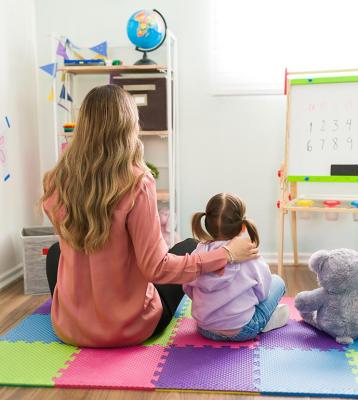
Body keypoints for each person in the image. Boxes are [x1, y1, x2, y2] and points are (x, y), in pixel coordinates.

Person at [40, 84, 258, 348]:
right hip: (130, 328)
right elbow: (157, 268)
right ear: (128, 126)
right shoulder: (137, 182)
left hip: (69, 328)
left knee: (56, 252)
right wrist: (227, 254)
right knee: (190, 246)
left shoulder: (56, 180)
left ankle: (80, 316)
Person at [184, 193, 289, 342]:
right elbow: (263, 294)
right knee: (277, 281)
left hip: (204, 327)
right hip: (242, 330)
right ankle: (267, 321)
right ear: (243, 227)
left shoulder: (199, 255)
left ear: (206, 223)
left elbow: (188, 288)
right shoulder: (249, 256)